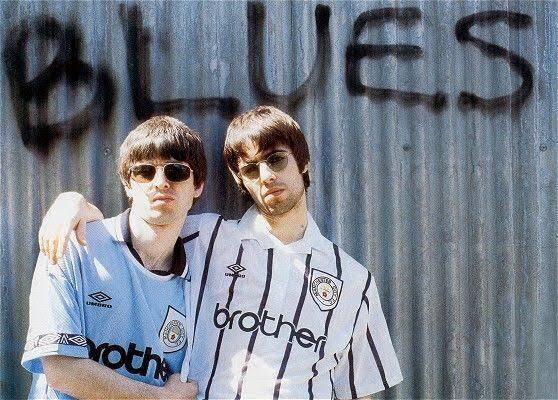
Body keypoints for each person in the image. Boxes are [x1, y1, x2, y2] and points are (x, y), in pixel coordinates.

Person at [39, 106, 403, 399]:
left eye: (276, 160)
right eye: (251, 169)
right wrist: (73, 204)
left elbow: (358, 390)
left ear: (303, 162)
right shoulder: (207, 239)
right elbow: (146, 220)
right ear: (240, 180)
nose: (266, 176)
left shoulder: (354, 281)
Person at [22, 116, 203, 399]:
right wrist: (160, 398)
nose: (160, 183)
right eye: (144, 172)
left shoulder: (200, 281)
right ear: (128, 184)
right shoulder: (73, 244)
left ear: (198, 185)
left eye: (176, 171)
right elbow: (61, 371)